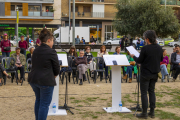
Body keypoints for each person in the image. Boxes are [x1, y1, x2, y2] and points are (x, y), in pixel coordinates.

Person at [130, 30, 163, 119]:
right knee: (152, 91)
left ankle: (144, 112)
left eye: (144, 38)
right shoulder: (159, 48)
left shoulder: (145, 48)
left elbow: (139, 60)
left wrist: (133, 56)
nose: (144, 40)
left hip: (146, 73)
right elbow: (160, 59)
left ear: (147, 39)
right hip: (155, 73)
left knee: (144, 93)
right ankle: (152, 112)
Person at [28, 28, 60, 120]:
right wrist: (52, 76)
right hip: (45, 81)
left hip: (34, 80)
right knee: (44, 104)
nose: (53, 42)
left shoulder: (36, 50)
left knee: (38, 100)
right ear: (49, 40)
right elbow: (57, 69)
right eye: (53, 40)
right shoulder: (51, 51)